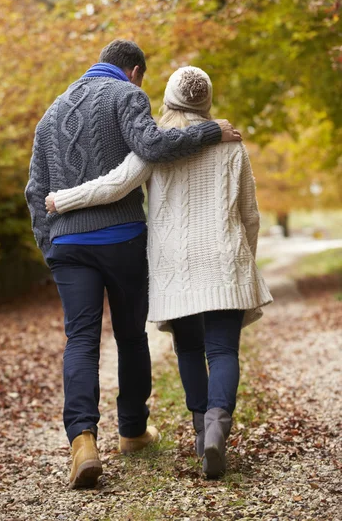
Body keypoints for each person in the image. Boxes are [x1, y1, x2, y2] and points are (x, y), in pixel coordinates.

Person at [25, 41, 241, 488]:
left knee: (80, 340)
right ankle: (131, 430)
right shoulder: (127, 95)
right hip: (121, 238)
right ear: (136, 71)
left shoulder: (51, 113)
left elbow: (35, 190)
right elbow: (152, 145)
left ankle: (82, 441)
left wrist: (51, 246)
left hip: (67, 243)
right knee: (128, 335)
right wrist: (209, 131)